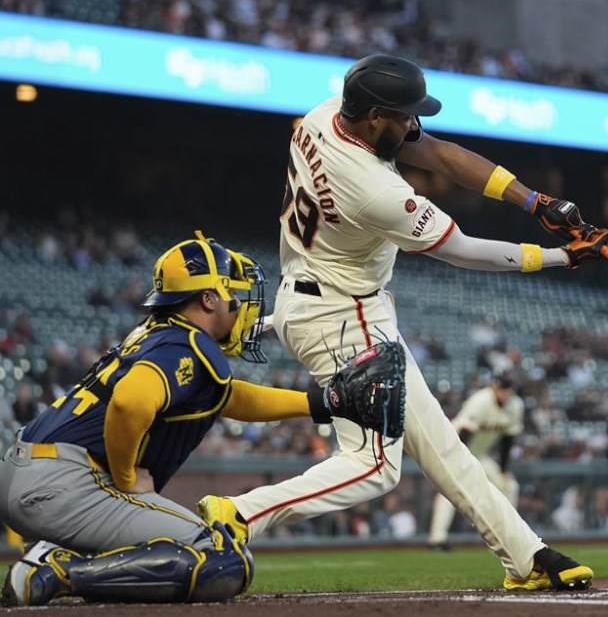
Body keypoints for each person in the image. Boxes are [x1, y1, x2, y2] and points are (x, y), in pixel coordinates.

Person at [198, 53, 608, 591]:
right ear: (374, 115)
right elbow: (462, 250)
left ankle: (526, 556)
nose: (415, 124)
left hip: (315, 296)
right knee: (375, 467)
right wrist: (562, 259)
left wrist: (536, 201)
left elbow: (437, 153)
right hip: (346, 317)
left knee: (443, 446)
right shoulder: (374, 189)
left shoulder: (325, 115)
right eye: (405, 115)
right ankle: (238, 514)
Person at [0, 233, 363, 607]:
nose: (239, 307)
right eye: (231, 296)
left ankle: (52, 553)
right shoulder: (189, 343)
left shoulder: (157, 335)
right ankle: (58, 569)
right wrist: (125, 478)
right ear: (208, 299)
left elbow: (231, 396)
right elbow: (130, 402)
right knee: (223, 558)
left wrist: (320, 403)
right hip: (64, 483)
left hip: (27, 468)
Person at [427, 371, 524, 551]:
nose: (506, 392)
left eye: (509, 388)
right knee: (449, 492)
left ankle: (509, 537)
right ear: (493, 386)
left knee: (509, 485)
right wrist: (459, 466)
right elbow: (464, 433)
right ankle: (437, 539)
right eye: (503, 387)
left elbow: (508, 440)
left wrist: (504, 469)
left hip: (479, 455)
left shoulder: (516, 405)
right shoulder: (481, 401)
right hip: (453, 451)